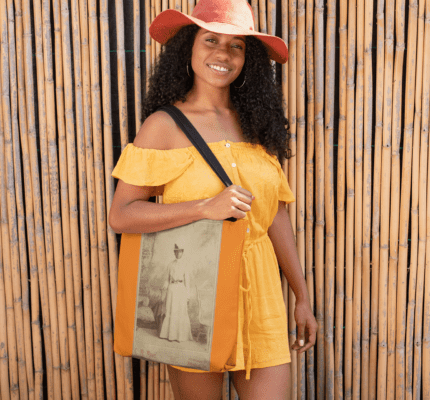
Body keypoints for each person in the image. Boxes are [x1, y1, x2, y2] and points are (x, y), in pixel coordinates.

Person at [108, 0, 318, 398]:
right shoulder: (163, 126)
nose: (222, 53)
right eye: (211, 40)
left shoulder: (257, 122)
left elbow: (275, 217)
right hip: (193, 293)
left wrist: (302, 298)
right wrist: (205, 208)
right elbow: (121, 216)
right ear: (188, 47)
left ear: (248, 58)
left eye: (236, 45)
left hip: (262, 295)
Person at [159, 244, 194, 342]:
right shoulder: (170, 264)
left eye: (180, 251)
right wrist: (165, 285)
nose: (178, 253)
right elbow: (167, 279)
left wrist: (188, 296)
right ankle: (169, 335)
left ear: (182, 252)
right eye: (176, 251)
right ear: (174, 252)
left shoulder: (185, 265)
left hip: (181, 289)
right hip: (171, 289)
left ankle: (180, 336)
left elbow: (187, 281)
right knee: (171, 310)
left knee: (180, 311)